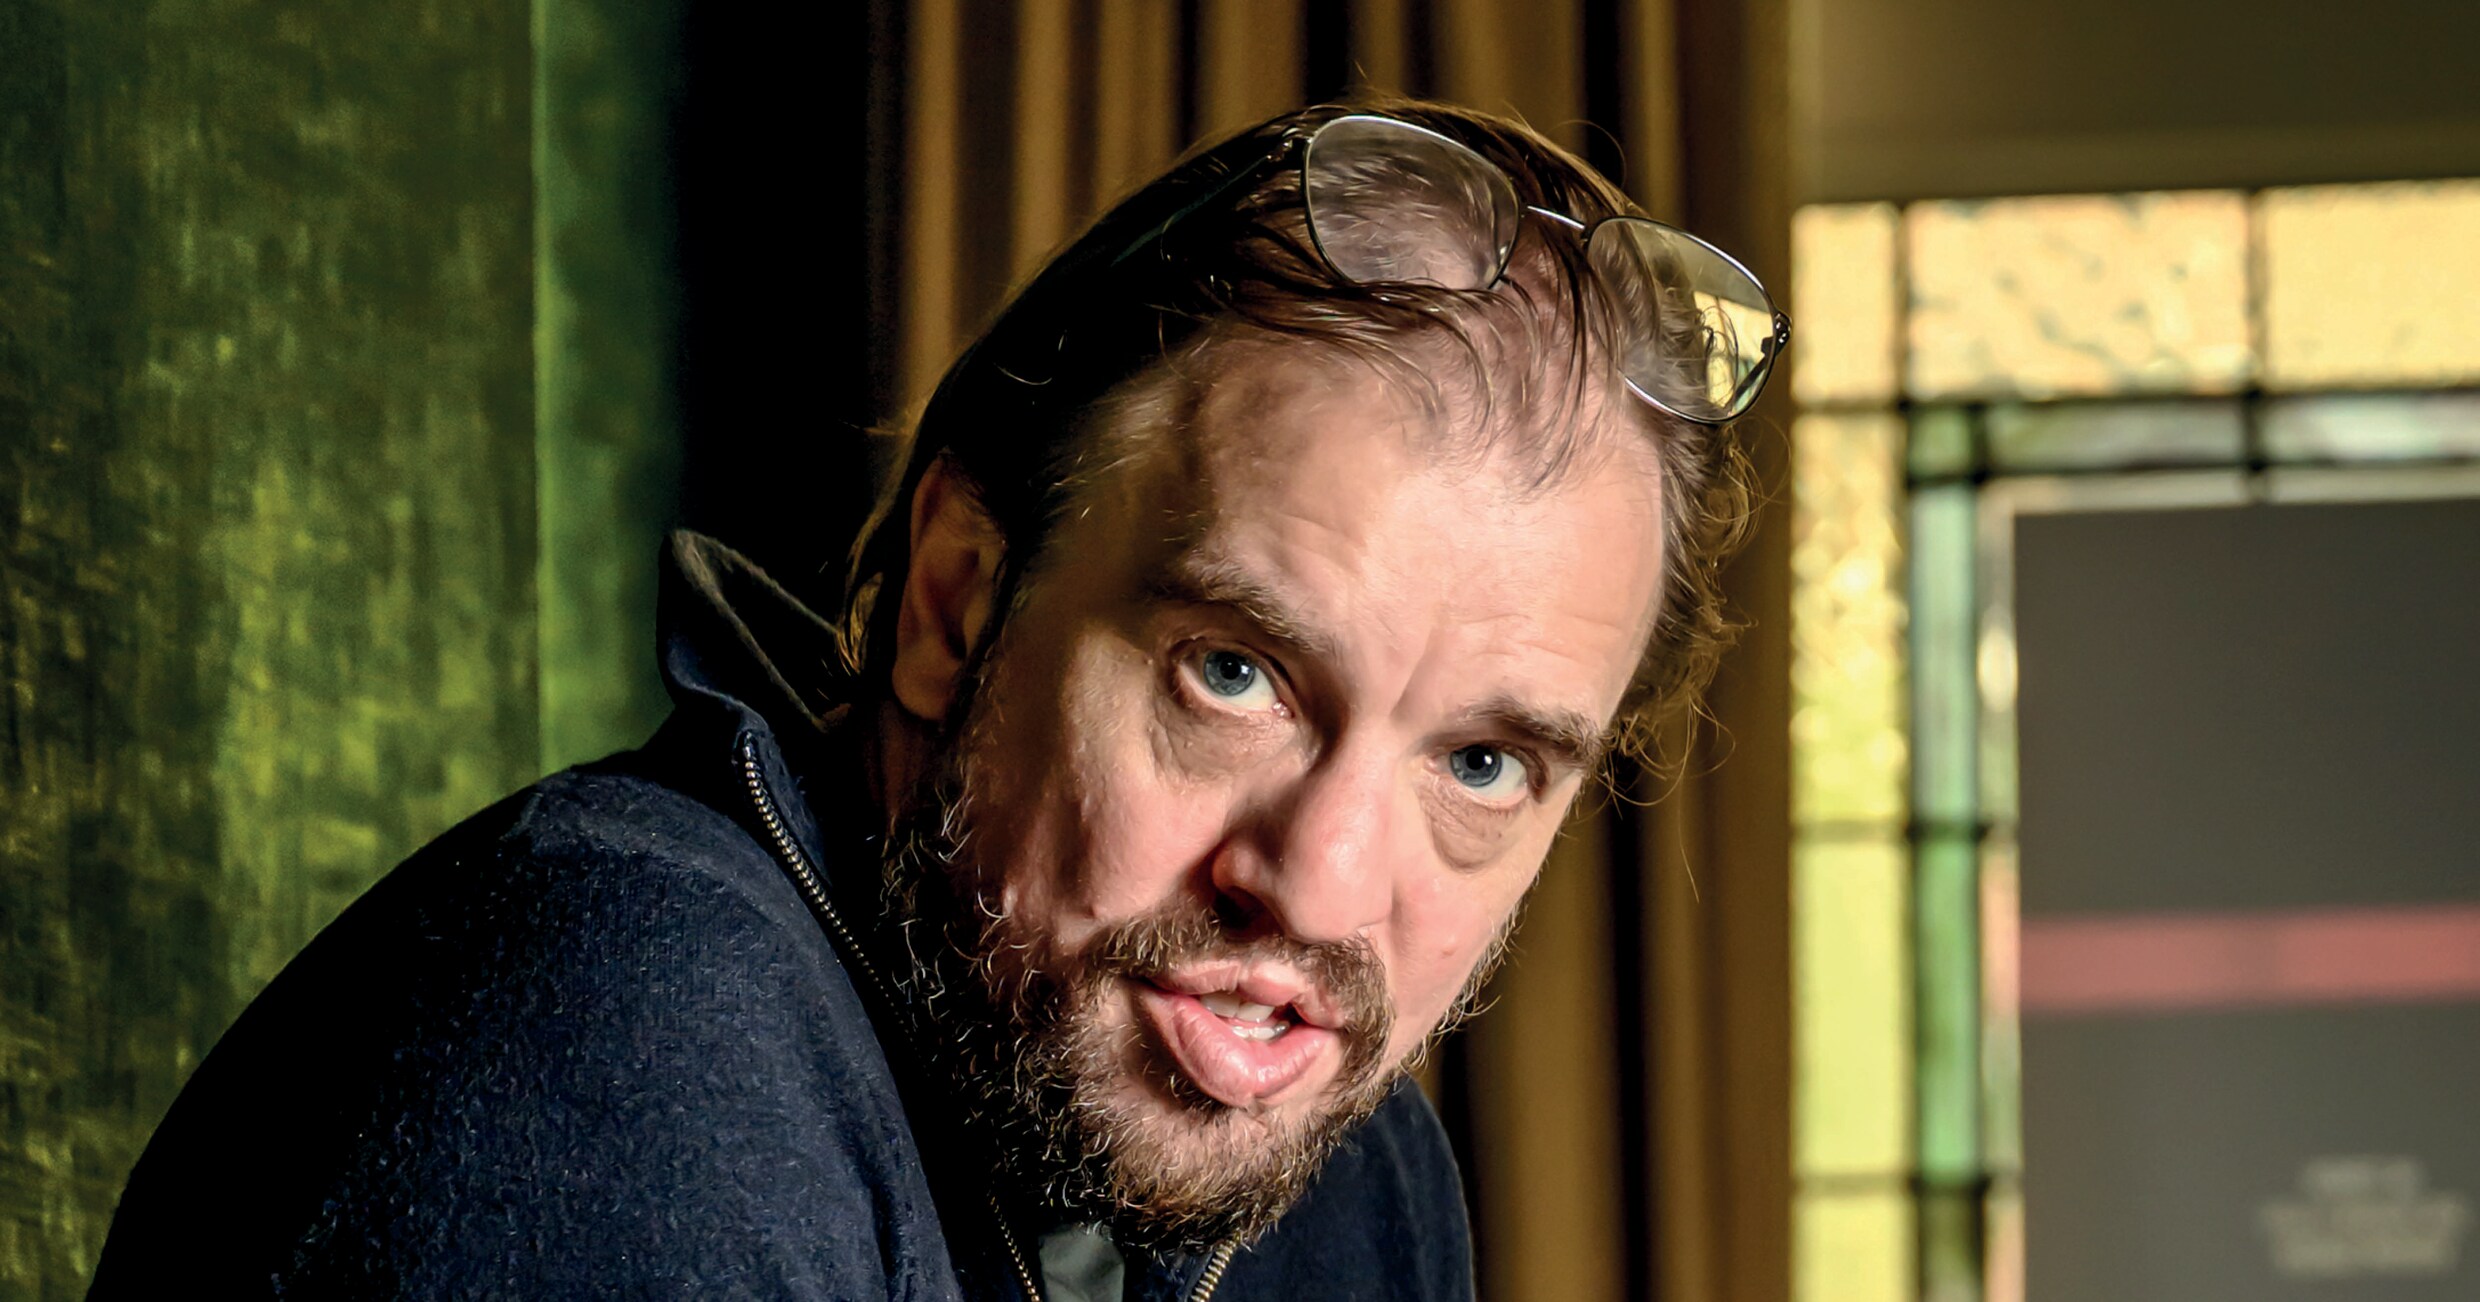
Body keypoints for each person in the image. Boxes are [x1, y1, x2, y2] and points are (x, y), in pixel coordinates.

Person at [88, 97, 1781, 1300]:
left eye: (1480, 762)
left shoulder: (1360, 1192)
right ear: (959, 595)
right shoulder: (619, 1047)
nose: (1322, 889)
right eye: (1236, 673)